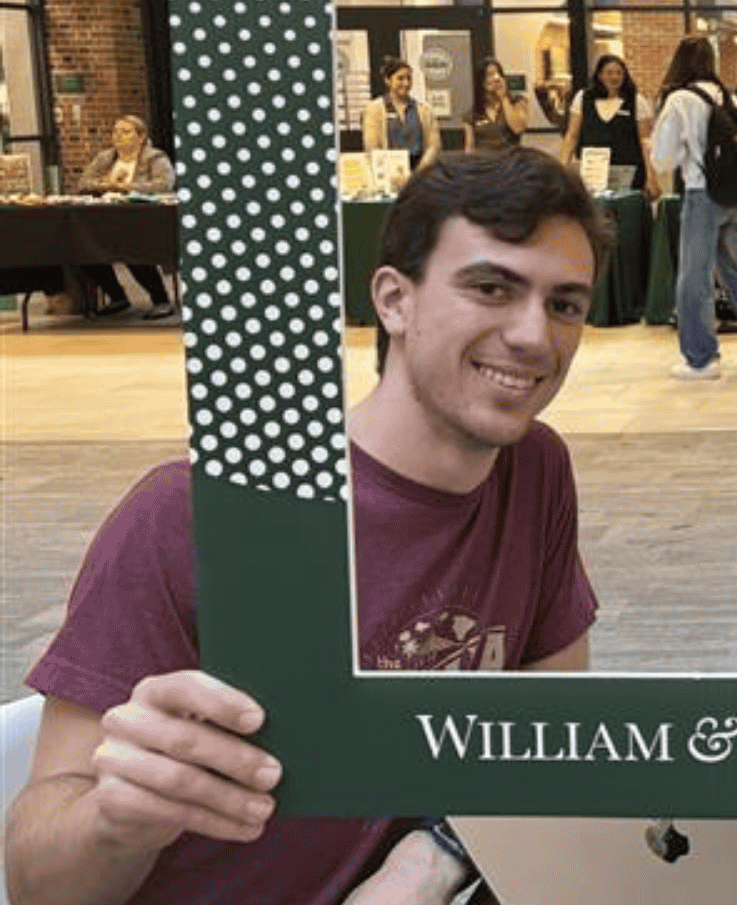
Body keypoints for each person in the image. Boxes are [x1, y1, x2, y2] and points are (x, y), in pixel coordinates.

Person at [6, 148, 611, 905]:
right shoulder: (193, 515)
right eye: (492, 287)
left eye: (565, 304)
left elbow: (547, 734)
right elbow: (37, 884)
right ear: (393, 299)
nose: (533, 335)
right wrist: (115, 818)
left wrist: (434, 854)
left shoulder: (533, 470)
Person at [651, 34, 737, 380]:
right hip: (736, 196)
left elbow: (663, 159)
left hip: (703, 195)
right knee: (732, 268)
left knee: (693, 277)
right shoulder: (727, 97)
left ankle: (700, 358)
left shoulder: (680, 99)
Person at [76, 114, 176, 319]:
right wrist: (105, 186)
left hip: (145, 222)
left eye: (126, 132)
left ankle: (161, 300)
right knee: (83, 247)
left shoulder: (155, 157)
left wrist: (126, 187)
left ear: (141, 137)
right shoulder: (105, 157)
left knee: (131, 245)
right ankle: (117, 296)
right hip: (106, 220)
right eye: (115, 132)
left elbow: (163, 185)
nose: (119, 136)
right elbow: (84, 183)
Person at [560, 53, 655, 193]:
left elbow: (645, 142)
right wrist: (562, 168)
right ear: (599, 75)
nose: (615, 77)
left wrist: (651, 176)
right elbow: (572, 136)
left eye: (619, 73)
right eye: (609, 73)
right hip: (593, 173)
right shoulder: (583, 98)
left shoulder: (637, 101)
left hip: (629, 174)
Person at [360, 55, 440, 175]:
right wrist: (391, 172)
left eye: (409, 78)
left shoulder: (424, 110)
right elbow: (371, 146)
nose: (406, 83)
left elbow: (434, 145)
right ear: (388, 80)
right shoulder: (374, 109)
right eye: (400, 78)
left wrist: (419, 172)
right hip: (388, 171)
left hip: (420, 173)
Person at [464, 56, 529, 152]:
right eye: (490, 75)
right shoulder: (472, 114)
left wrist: (503, 97)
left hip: (511, 161)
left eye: (499, 74)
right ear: (482, 82)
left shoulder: (518, 102)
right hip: (485, 163)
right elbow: (470, 148)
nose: (497, 78)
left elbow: (517, 128)